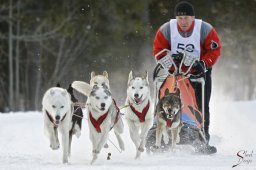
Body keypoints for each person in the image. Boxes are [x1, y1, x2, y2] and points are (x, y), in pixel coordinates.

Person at [153, 1, 221, 152]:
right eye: (180, 19)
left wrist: (204, 63)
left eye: (187, 18)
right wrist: (171, 62)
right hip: (174, 73)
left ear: (193, 18)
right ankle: (159, 133)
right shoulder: (166, 29)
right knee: (166, 101)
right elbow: (158, 50)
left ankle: (203, 138)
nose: (183, 22)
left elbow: (215, 50)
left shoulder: (205, 29)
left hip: (199, 72)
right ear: (176, 18)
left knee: (201, 105)